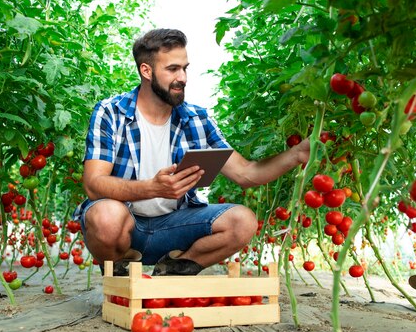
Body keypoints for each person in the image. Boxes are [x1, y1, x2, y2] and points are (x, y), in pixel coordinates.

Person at [74, 28, 310, 276]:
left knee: (243, 221)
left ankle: (172, 271)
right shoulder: (111, 112)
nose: (183, 77)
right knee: (105, 216)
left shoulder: (197, 118)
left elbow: (246, 173)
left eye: (185, 68)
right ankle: (120, 274)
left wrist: (296, 155)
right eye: (173, 69)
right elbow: (93, 184)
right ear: (146, 70)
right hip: (126, 226)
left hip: (175, 226)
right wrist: (153, 188)